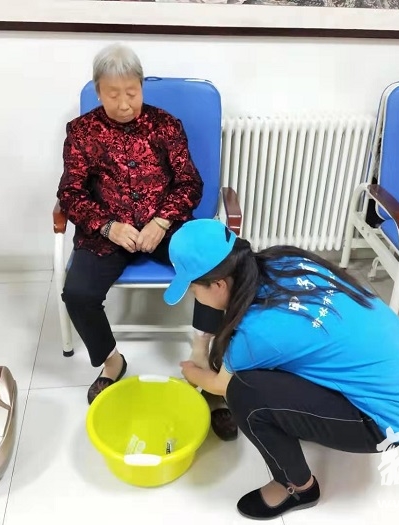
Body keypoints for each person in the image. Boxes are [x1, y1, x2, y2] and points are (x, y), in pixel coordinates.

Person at [163, 219, 399, 520]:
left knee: (243, 393)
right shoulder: (281, 260)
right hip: (394, 378)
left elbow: (220, 385)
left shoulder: (256, 335)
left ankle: (298, 487)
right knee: (255, 367)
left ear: (218, 284)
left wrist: (192, 372)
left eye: (193, 290)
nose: (194, 297)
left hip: (382, 422)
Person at [57, 44, 237, 440]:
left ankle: (205, 365)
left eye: (131, 92)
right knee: (78, 293)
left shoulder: (166, 125)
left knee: (218, 274)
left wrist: (162, 219)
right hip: (109, 233)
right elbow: (70, 194)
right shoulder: (82, 132)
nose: (124, 104)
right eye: (113, 94)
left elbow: (190, 183)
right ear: (98, 91)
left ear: (141, 86)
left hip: (165, 227)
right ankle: (112, 362)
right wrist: (108, 226)